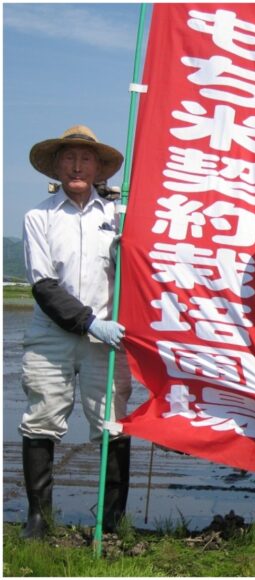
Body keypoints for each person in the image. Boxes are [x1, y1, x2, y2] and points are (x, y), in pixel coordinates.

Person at [20, 125, 134, 538]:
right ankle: (38, 518)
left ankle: (112, 521)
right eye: (69, 158)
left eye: (86, 159)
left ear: (100, 168)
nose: (77, 166)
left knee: (112, 423)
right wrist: (89, 322)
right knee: (41, 417)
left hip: (108, 337)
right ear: (56, 165)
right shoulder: (39, 216)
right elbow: (43, 284)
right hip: (52, 333)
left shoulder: (116, 215)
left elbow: (136, 270)